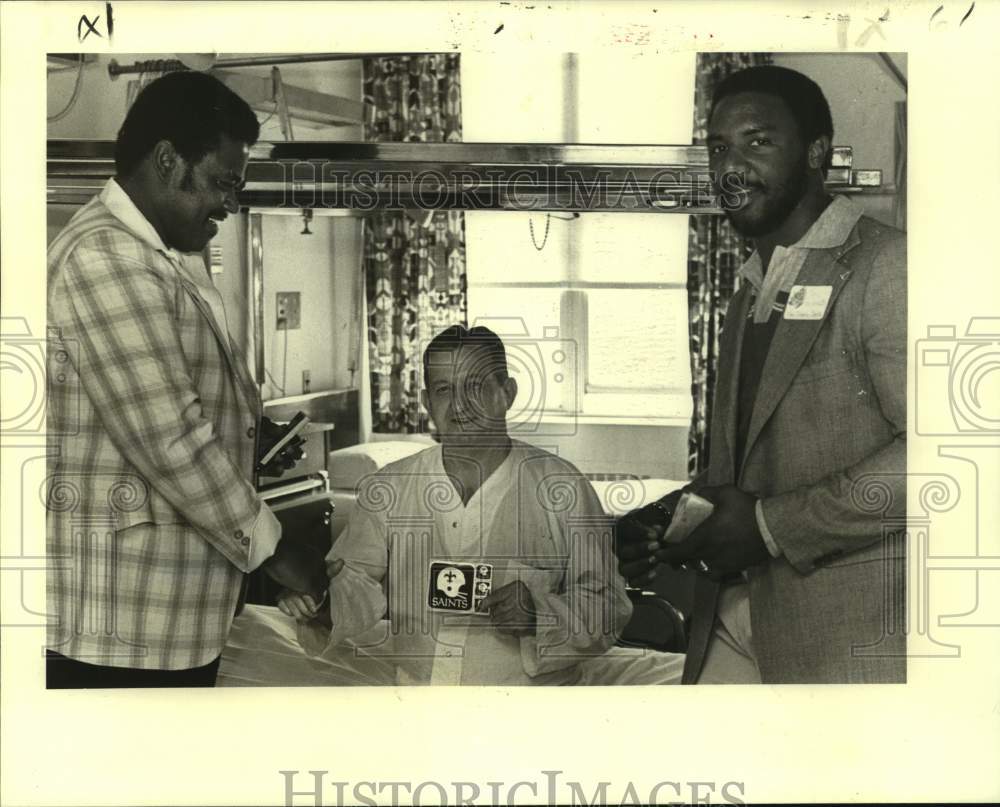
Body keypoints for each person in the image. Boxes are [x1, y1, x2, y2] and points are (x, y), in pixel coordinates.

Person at [615, 65, 906, 684]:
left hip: (847, 631)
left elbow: (947, 458)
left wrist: (770, 528)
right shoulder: (751, 289)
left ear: (817, 153)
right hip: (733, 614)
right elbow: (741, 472)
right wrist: (665, 520)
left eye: (758, 141)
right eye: (718, 146)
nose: (731, 165)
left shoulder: (888, 266)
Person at [46, 71, 319, 688]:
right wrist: (273, 550)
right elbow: (170, 435)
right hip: (117, 631)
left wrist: (255, 434)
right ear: (168, 161)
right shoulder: (104, 257)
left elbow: (176, 404)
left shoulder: (163, 258)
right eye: (223, 181)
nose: (229, 202)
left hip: (160, 623)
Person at [278, 325, 684, 685]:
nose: (459, 405)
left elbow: (607, 605)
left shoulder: (563, 488)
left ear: (506, 394)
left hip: (531, 709)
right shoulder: (388, 489)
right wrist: (321, 602)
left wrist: (540, 614)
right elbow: (355, 585)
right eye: (443, 390)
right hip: (422, 700)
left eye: (475, 387)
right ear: (425, 402)